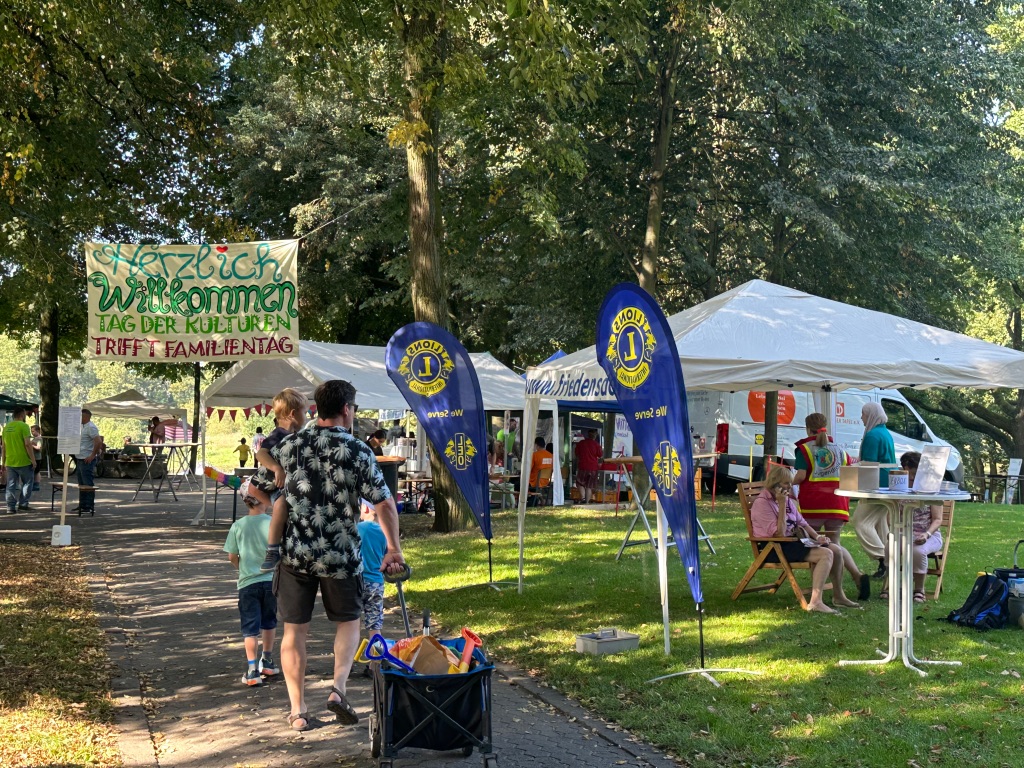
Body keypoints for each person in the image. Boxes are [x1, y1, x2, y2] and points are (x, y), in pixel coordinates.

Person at [251, 379, 404, 732]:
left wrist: (281, 509)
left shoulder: (288, 447)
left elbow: (254, 490)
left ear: (317, 408)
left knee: (294, 631)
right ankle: (338, 689)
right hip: (341, 555)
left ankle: (298, 711)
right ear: (347, 409)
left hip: (295, 556)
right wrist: (393, 549)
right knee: (349, 622)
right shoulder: (358, 450)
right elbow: (383, 503)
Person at [750, 464, 861, 613]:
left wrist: (818, 537)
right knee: (826, 554)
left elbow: (802, 522)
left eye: (790, 482)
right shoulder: (762, 503)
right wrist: (782, 504)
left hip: (792, 542)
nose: (790, 486)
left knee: (836, 549)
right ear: (775, 484)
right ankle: (816, 602)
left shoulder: (786, 499)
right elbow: (779, 534)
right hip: (774, 547)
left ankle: (839, 596)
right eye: (786, 483)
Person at [794, 413, 870, 600]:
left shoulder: (804, 448)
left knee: (814, 545)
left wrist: (789, 481)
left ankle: (816, 591)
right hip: (837, 503)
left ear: (807, 428)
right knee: (835, 544)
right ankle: (851, 580)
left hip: (813, 503)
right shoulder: (840, 449)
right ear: (825, 426)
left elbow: (802, 476)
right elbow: (849, 471)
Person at [223, 478, 279, 686]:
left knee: (250, 627)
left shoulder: (238, 526)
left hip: (247, 583)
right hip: (271, 581)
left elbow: (231, 556)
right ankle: (268, 659)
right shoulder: (273, 522)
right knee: (269, 621)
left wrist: (242, 569)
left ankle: (252, 668)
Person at [253, 388, 308, 572]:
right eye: (304, 412)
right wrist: (276, 468)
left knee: (283, 507)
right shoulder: (278, 435)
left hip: (290, 487)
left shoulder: (296, 437)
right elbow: (260, 453)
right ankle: (272, 550)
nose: (307, 416)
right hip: (278, 486)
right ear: (293, 414)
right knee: (281, 504)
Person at [879, 452, 945, 603]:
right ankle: (892, 585)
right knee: (891, 547)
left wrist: (927, 534)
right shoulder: (899, 486)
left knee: (917, 551)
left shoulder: (930, 487)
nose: (911, 478)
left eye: (914, 474)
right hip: (904, 531)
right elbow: (891, 514)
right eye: (908, 474)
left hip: (928, 534)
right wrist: (893, 530)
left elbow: (937, 519)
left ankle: (919, 589)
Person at [853, 402, 897, 580]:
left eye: (863, 414)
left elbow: (868, 465)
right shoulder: (886, 433)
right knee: (880, 523)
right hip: (888, 484)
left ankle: (885, 559)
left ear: (870, 414)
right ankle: (890, 560)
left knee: (860, 522)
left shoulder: (872, 435)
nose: (861, 418)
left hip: (875, 484)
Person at [356, 501, 388, 667]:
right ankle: (376, 662)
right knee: (374, 623)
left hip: (357, 581)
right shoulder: (385, 532)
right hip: (376, 582)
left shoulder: (358, 529)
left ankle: (346, 661)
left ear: (366, 508)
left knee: (352, 622)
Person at [2, 407, 36, 513]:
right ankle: (23, 504)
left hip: (10, 461)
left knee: (11, 484)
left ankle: (10, 507)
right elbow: (27, 444)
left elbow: (4, 446)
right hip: (23, 460)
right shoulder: (24, 426)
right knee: (28, 482)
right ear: (22, 415)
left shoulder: (6, 427)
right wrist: (33, 460)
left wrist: (3, 462)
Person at [76, 409, 102, 515]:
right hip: (80, 458)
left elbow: (99, 441)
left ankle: (89, 505)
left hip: (87, 459)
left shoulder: (91, 427)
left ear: (85, 417)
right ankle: (82, 504)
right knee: (81, 483)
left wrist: (92, 455)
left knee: (87, 483)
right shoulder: (82, 427)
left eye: (80, 417)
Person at [574, 429, 603, 504]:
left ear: (587, 434)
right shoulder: (596, 445)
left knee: (579, 483)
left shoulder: (581, 443)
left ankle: (583, 498)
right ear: (595, 436)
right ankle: (587, 502)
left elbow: (576, 453)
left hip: (583, 466)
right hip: (593, 467)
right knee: (589, 486)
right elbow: (600, 455)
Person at [527, 436, 554, 506]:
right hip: (546, 481)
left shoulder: (535, 455)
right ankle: (538, 499)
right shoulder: (551, 456)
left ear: (536, 445)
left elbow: (528, 468)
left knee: (518, 484)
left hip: (534, 481)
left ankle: (532, 501)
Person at [30, 424, 42, 492]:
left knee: (36, 472)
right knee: (34, 471)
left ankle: (36, 484)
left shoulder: (39, 439)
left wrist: (32, 445)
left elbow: (39, 448)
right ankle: (33, 483)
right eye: (31, 431)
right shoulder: (34, 438)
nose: (32, 433)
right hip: (33, 457)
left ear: (38, 431)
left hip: (37, 458)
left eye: (33, 431)